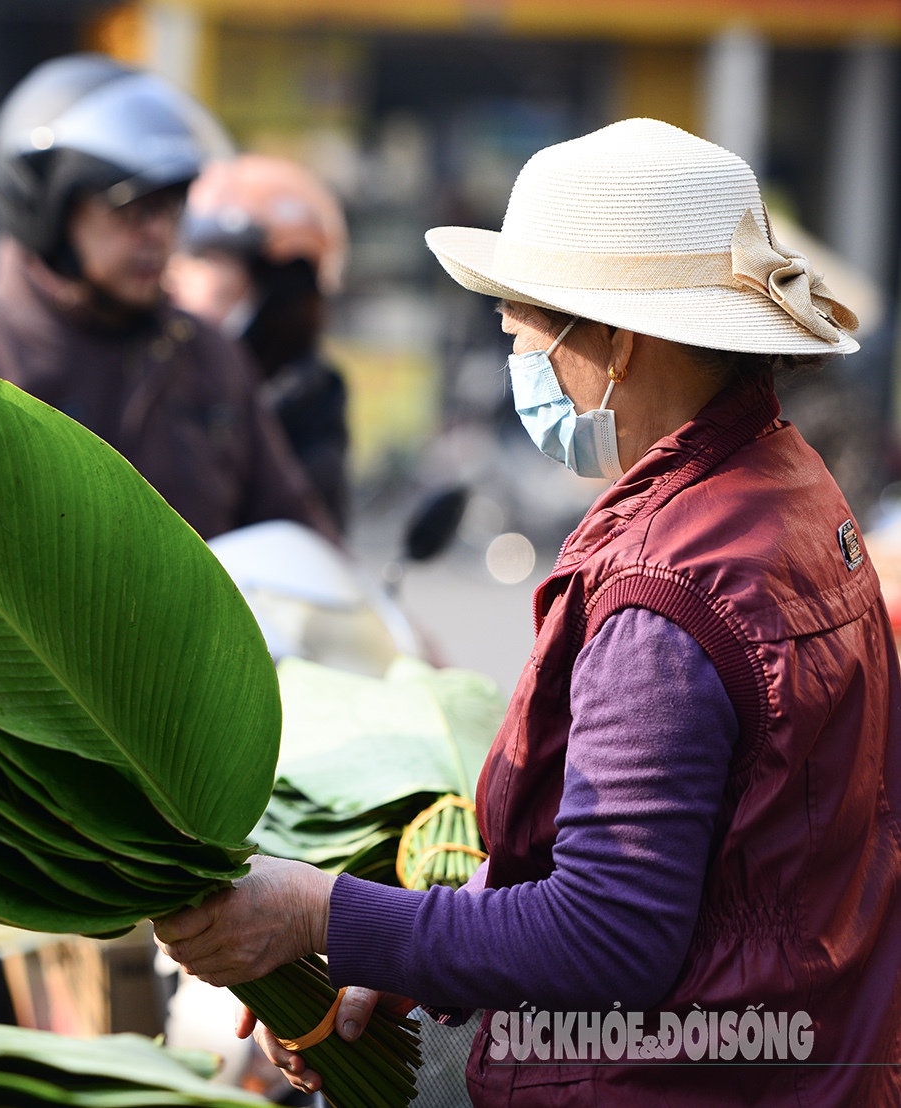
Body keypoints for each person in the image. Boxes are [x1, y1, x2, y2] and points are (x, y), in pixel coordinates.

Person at [155, 119, 901, 1103]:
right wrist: (406, 941)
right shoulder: (792, 489)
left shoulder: (665, 588)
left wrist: (319, 912)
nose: (519, 364)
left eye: (521, 333)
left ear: (617, 345)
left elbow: (603, 936)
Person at [0, 54, 335, 542]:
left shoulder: (209, 357)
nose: (159, 234)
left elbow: (295, 530)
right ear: (46, 204)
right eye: (132, 209)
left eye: (170, 207)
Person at [169, 156, 352, 532]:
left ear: (278, 279)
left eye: (205, 257)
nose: (176, 275)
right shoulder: (160, 370)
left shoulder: (307, 402)